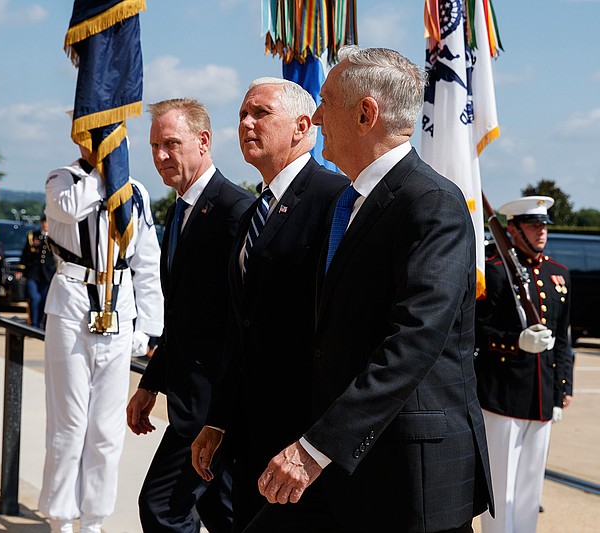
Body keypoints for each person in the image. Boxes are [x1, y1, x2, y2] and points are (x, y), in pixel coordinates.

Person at [202, 46, 495, 533]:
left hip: (405, 477)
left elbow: (413, 341)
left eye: (326, 102)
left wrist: (314, 450)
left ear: (365, 114)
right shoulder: (354, 200)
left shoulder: (431, 204)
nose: (316, 117)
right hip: (338, 461)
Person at [190, 78, 349, 531]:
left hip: (302, 442)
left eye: (260, 113)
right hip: (252, 436)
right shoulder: (254, 212)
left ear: (302, 126)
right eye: (242, 114)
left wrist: (316, 443)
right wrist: (219, 420)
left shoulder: (334, 199)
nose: (245, 123)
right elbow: (241, 328)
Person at [126, 98, 252, 532]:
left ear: (203, 141)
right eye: (155, 145)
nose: (161, 156)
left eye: (172, 144)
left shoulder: (234, 209)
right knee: (224, 514)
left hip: (214, 406)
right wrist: (150, 382)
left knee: (163, 508)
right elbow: (182, 316)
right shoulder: (178, 211)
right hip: (189, 398)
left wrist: (220, 415)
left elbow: (238, 321)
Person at [38, 143, 164, 533]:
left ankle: (93, 519)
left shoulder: (136, 193)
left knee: (106, 428)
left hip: (119, 308)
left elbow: (147, 263)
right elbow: (69, 209)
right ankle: (60, 518)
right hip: (72, 305)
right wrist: (107, 173)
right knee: (69, 423)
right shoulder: (63, 179)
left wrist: (147, 326)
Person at [475, 195, 573, 533]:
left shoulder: (557, 274)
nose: (541, 232)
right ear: (513, 230)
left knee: (530, 489)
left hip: (542, 397)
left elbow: (563, 339)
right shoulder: (494, 270)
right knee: (501, 489)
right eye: (533, 226)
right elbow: (476, 330)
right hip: (503, 395)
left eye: (544, 225)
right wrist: (515, 342)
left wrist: (563, 389)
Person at [18, 215, 55, 329]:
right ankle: (33, 324)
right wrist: (20, 269)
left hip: (47, 275)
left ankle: (40, 323)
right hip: (33, 273)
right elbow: (25, 254)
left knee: (44, 300)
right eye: (44, 222)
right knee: (34, 298)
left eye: (48, 223)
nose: (45, 225)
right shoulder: (33, 236)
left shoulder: (54, 238)